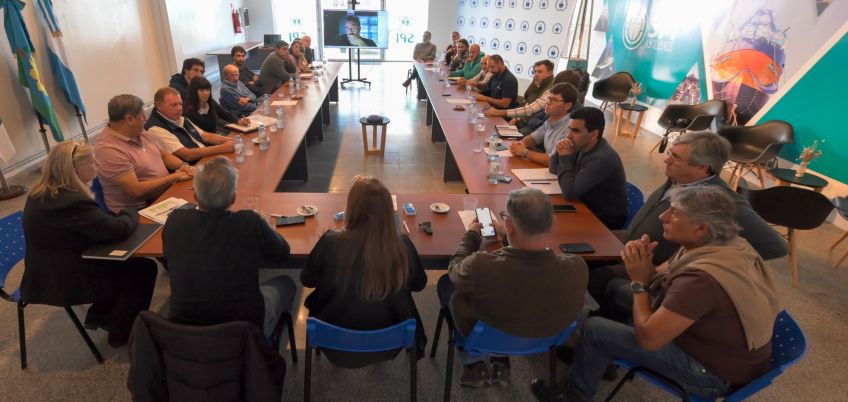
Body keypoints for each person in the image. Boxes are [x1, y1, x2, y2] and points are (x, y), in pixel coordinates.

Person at [531, 186, 779, 402]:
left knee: (596, 329)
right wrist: (641, 265)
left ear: (701, 228)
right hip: (712, 343)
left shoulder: (701, 280)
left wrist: (638, 281)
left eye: (674, 213)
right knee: (615, 288)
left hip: (712, 374)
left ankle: (575, 396)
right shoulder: (722, 243)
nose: (663, 216)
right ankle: (602, 359)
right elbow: (659, 276)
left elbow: (650, 338)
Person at [586, 131, 788, 305]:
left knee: (596, 277)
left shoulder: (720, 200)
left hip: (654, 269)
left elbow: (775, 246)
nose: (666, 160)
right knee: (577, 248)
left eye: (675, 157)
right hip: (629, 245)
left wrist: (691, 259)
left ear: (703, 167)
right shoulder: (677, 178)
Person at [438, 187, 588, 387]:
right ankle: (501, 360)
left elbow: (455, 268)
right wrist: (509, 238)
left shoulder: (481, 266)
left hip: (487, 336)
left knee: (448, 285)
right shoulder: (577, 267)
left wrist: (472, 235)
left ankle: (473, 362)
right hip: (546, 339)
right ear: (552, 224)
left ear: (508, 224)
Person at [21, 141, 157, 347]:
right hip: (62, 278)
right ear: (76, 169)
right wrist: (130, 211)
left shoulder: (42, 192)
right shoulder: (71, 201)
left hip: (46, 268)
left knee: (127, 264)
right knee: (142, 269)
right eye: (93, 163)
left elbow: (96, 225)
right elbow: (117, 230)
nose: (97, 167)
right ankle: (122, 333)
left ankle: (102, 314)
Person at [163, 156, 297, 341]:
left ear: (195, 196)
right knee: (287, 283)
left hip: (184, 327)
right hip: (242, 327)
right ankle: (263, 344)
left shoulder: (174, 220)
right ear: (234, 197)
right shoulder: (249, 221)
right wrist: (265, 226)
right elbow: (282, 253)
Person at [301, 175, 427, 368]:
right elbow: (419, 284)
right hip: (390, 343)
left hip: (334, 340)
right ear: (387, 212)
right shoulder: (403, 246)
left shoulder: (330, 242)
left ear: (351, 209)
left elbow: (307, 279)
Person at [94, 94, 194, 214]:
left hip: (164, 195)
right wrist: (173, 177)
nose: (145, 119)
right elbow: (136, 190)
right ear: (130, 119)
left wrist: (183, 166)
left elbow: (164, 156)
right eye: (142, 115)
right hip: (138, 211)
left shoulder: (139, 131)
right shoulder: (108, 150)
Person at [549, 106, 627, 229]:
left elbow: (569, 192)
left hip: (602, 220)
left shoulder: (602, 158)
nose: (569, 136)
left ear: (594, 134)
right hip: (583, 204)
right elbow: (553, 169)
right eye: (569, 130)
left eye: (575, 131)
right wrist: (560, 151)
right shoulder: (582, 144)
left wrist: (565, 158)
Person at [145, 87, 235, 163]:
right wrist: (221, 148)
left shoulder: (178, 117)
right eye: (174, 105)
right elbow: (187, 155)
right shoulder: (155, 128)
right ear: (159, 106)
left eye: (180, 104)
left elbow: (204, 135)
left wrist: (232, 140)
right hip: (194, 167)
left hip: (206, 158)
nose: (179, 108)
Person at [508, 83, 578, 167]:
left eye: (554, 100)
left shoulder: (569, 128)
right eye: (549, 98)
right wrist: (521, 144)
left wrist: (524, 152)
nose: (548, 102)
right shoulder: (550, 120)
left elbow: (553, 161)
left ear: (567, 106)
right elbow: (533, 138)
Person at [485, 69, 582, 126]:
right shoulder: (537, 84)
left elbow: (530, 111)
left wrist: (499, 112)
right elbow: (527, 102)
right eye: (535, 71)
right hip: (525, 122)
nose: (536, 75)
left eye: (539, 72)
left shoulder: (551, 93)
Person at [184, 76, 250, 133]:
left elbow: (225, 113)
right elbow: (201, 134)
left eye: (207, 90)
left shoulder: (210, 102)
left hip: (216, 132)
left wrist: (238, 121)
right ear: (194, 92)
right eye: (201, 90)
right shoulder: (189, 111)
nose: (206, 93)